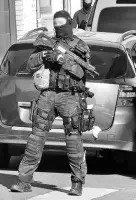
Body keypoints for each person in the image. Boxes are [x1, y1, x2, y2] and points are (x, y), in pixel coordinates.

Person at [10, 10, 92, 196]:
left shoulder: (80, 46)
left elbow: (81, 73)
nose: (59, 28)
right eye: (56, 25)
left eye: (62, 24)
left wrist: (62, 60)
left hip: (69, 96)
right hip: (47, 94)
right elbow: (30, 64)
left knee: (73, 140)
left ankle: (77, 182)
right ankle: (23, 180)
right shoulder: (46, 43)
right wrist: (45, 56)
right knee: (35, 139)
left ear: (70, 24)